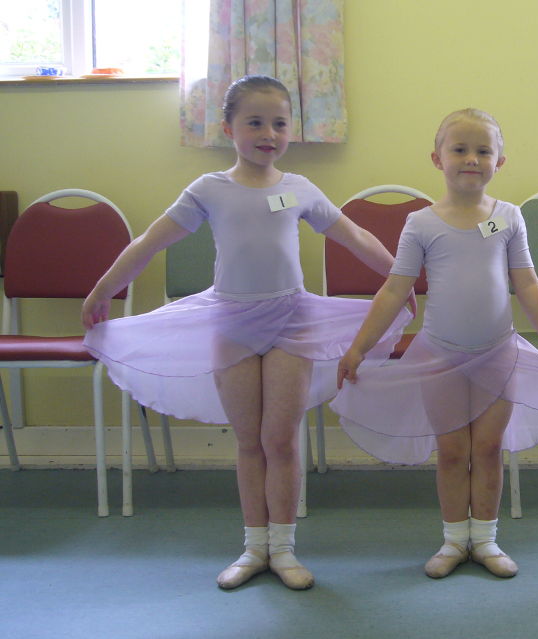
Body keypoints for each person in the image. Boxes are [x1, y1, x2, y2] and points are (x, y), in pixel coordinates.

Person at [82, 75, 412, 591]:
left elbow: (354, 234)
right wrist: (104, 287)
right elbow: (150, 241)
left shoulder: (298, 188)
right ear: (228, 128)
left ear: (291, 131)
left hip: (292, 322)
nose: (268, 133)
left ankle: (282, 549)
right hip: (231, 322)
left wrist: (398, 278)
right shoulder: (209, 189)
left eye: (279, 123)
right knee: (249, 441)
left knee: (279, 439)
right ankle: (253, 547)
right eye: (255, 122)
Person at [331, 108, 538, 579]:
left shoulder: (508, 217)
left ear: (499, 161)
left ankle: (484, 539)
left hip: (499, 354)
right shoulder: (421, 223)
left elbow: (527, 285)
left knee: (487, 449)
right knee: (451, 451)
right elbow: (394, 289)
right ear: (437, 158)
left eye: (483, 150)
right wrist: (360, 346)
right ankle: (452, 541)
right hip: (439, 355)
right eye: (460, 149)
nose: (471, 159)